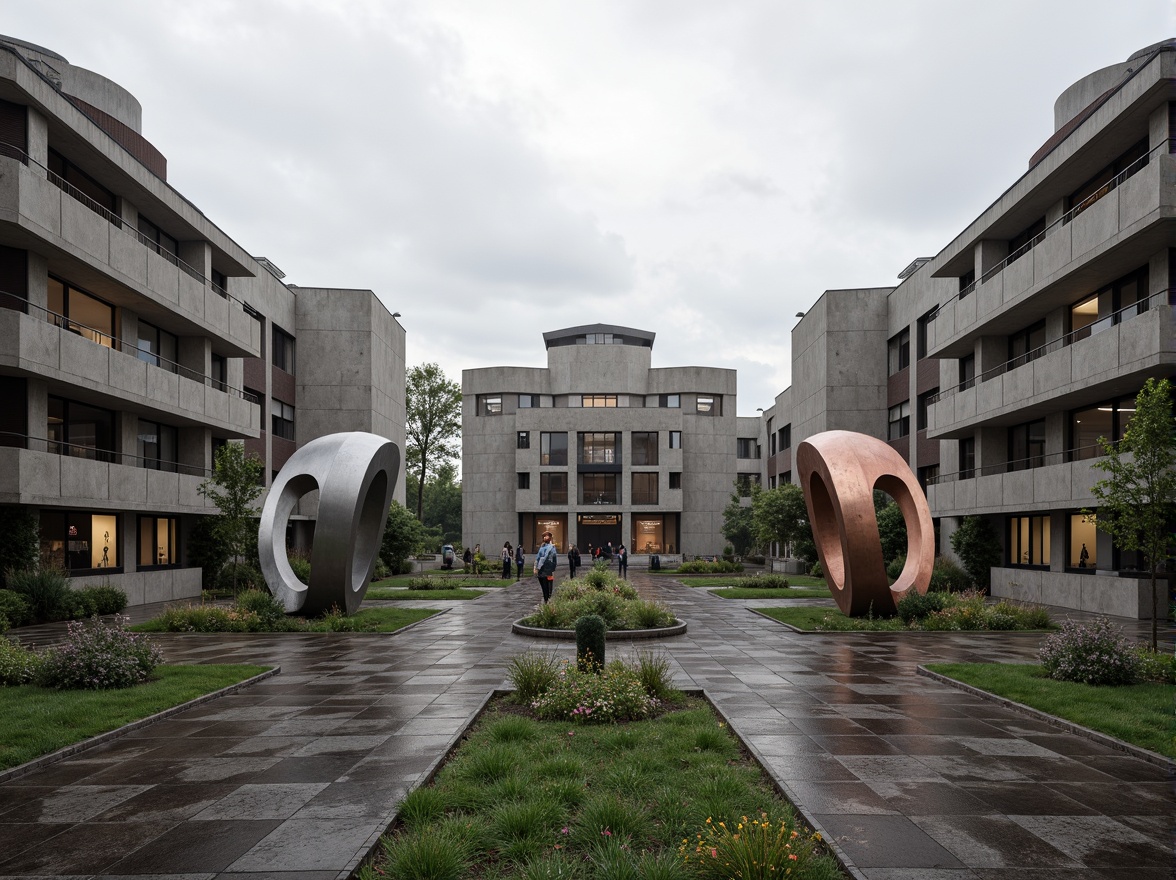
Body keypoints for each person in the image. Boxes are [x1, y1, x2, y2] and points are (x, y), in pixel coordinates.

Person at [533, 530, 558, 603]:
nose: (545, 538)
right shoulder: (550, 548)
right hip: (546, 570)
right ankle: (547, 600)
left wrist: (535, 568)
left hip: (544, 569)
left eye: (546, 536)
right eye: (544, 536)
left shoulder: (545, 548)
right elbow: (554, 559)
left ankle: (546, 600)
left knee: (545, 587)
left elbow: (538, 558)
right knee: (547, 586)